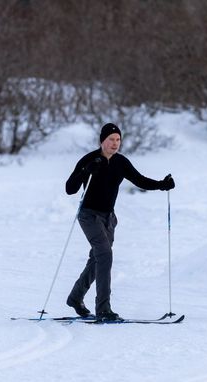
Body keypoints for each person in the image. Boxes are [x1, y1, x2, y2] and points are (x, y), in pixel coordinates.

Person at [65, 123, 175, 321]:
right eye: (111, 140)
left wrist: (162, 185)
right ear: (102, 141)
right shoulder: (90, 159)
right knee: (105, 254)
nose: (115, 144)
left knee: (98, 258)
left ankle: (75, 297)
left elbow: (140, 180)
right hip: (89, 215)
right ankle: (103, 309)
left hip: (109, 218)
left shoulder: (121, 162)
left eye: (118, 140)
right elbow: (70, 189)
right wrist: (85, 171)